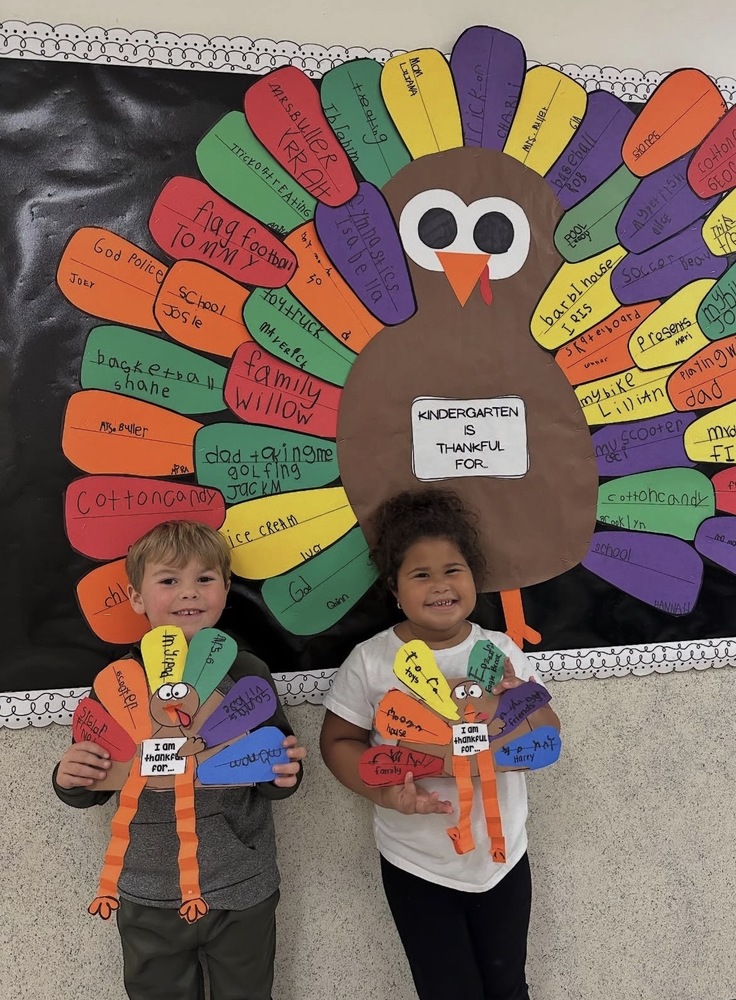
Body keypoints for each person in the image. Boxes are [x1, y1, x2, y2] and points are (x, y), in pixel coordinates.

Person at [320, 489, 560, 1000]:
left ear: (473, 577)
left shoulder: (500, 651)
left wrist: (512, 704)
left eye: (454, 570)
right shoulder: (372, 661)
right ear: (394, 586)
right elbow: (339, 741)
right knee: (446, 989)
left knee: (509, 985)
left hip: (502, 857)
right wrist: (384, 793)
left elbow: (547, 734)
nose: (440, 585)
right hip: (415, 860)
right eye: (421, 574)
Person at [53, 520, 306, 1000]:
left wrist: (285, 774)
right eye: (169, 580)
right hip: (148, 890)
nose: (189, 593)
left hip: (241, 885)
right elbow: (92, 780)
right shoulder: (119, 682)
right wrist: (70, 779)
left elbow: (277, 768)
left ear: (227, 590)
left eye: (205, 579)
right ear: (136, 598)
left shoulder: (248, 674)